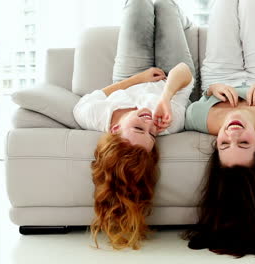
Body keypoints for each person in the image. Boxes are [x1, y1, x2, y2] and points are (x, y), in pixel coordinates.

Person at [72, 0, 195, 250]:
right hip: (171, 78)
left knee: (137, 4)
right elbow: (184, 72)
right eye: (151, 135)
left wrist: (136, 79)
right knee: (165, 5)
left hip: (130, 76)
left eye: (138, 128)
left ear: (114, 130)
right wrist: (165, 97)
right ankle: (183, 21)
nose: (149, 124)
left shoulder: (95, 116)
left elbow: (90, 98)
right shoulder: (167, 122)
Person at [183, 0, 255, 257]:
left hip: (220, 75)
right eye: (243, 143)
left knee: (223, 5)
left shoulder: (200, 120)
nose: (233, 134)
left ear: (216, 144)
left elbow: (192, 107)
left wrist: (211, 90)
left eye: (225, 143)